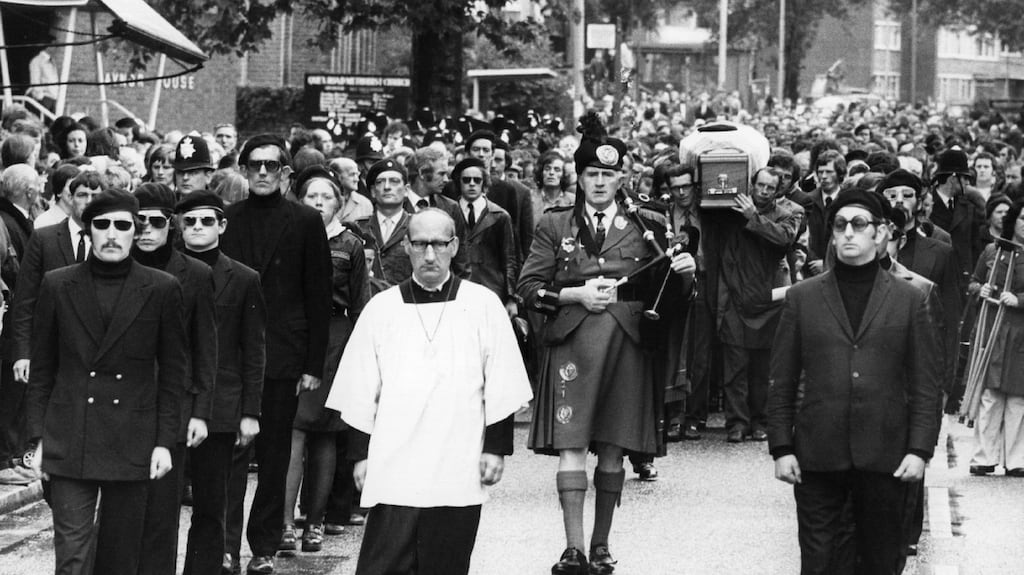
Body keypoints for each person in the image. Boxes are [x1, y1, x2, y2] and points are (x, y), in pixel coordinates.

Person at [518, 114, 696, 575]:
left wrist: (685, 275)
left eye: (608, 175)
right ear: (579, 178)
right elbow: (528, 287)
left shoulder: (646, 224)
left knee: (614, 446)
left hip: (626, 344)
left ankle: (601, 547)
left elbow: (671, 296)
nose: (600, 183)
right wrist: (571, 295)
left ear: (622, 179)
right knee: (572, 444)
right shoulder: (556, 225)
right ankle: (572, 549)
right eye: (592, 175)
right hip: (572, 345)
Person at [326, 208, 533, 574]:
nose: (430, 255)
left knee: (446, 565)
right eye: (420, 244)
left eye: (439, 244)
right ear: (406, 246)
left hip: (458, 457)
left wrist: (495, 448)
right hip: (396, 460)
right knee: (382, 566)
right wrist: (360, 454)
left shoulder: (482, 304)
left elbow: (502, 381)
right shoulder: (382, 309)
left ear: (454, 246)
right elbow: (358, 388)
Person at [767, 189, 941, 574]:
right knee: (818, 563)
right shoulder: (803, 297)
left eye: (859, 225)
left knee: (880, 563)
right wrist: (781, 447)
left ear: (880, 233)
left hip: (886, 456)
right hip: (817, 454)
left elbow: (927, 384)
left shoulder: (910, 299)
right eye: (840, 225)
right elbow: (782, 377)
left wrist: (920, 450)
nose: (848, 233)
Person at [25, 189, 188, 575]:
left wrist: (165, 442)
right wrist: (38, 439)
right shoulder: (58, 284)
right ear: (88, 230)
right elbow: (43, 368)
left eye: (122, 225)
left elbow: (173, 374)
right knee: (72, 555)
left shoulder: (162, 288)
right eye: (102, 225)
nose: (112, 234)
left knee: (119, 555)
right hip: (70, 435)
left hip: (131, 437)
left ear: (135, 230)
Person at [220, 134, 332, 575]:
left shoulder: (305, 221)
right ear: (244, 171)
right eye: (254, 165)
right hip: (232, 356)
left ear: (286, 172)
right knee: (229, 453)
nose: (262, 172)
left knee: (273, 455)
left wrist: (312, 363)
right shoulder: (227, 218)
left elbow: (318, 293)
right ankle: (226, 546)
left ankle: (263, 545)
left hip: (284, 355)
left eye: (271, 165)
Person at [175, 191, 266, 575]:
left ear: (222, 226)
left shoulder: (244, 279)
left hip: (223, 405)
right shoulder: (164, 271)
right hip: (173, 401)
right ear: (179, 225)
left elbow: (254, 348)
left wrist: (250, 411)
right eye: (190, 221)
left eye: (207, 221)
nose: (198, 228)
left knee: (213, 504)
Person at [282, 166, 369, 554]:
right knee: (291, 431)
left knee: (324, 431)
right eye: (311, 196)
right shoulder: (287, 236)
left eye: (327, 197)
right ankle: (284, 523)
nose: (319, 203)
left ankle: (315, 522)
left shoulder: (350, 244)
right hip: (293, 334)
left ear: (340, 203)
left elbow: (361, 302)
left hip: (336, 339)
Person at [131, 183, 217, 575]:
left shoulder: (196, 274)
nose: (146, 230)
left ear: (173, 226)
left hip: (173, 405)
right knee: (121, 513)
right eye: (139, 222)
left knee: (162, 514)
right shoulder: (116, 265)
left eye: (157, 222)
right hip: (123, 405)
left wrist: (200, 412)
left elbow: (206, 348)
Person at [1, 172, 102, 486]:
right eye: (81, 194)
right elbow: (25, 299)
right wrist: (21, 352)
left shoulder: (110, 240)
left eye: (95, 196)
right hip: (48, 344)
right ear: (70, 198)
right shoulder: (45, 238)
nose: (87, 202)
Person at [967, 197, 1024, 478]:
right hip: (993, 330)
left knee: (1018, 399)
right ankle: (984, 456)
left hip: (1021, 334)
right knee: (990, 395)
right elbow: (974, 282)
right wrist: (982, 290)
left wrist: (1020, 299)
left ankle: (1016, 459)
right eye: (1023, 218)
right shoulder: (992, 250)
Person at [451, 157, 518, 307]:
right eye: (466, 180)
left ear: (484, 183)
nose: (472, 184)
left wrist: (511, 298)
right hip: (458, 288)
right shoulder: (449, 213)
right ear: (459, 183)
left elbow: (509, 260)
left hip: (491, 287)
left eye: (477, 180)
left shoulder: (499, 216)